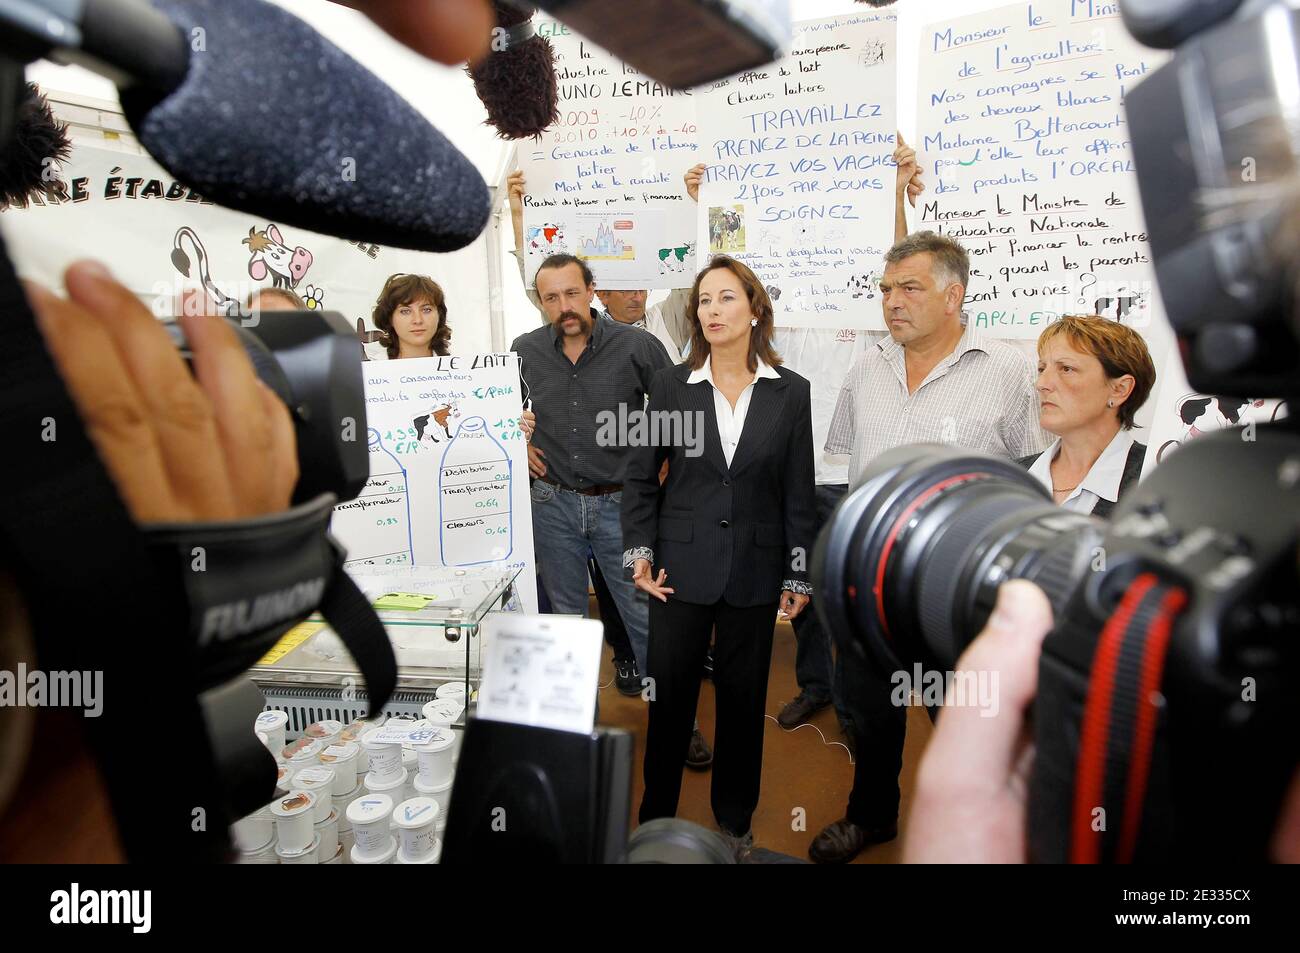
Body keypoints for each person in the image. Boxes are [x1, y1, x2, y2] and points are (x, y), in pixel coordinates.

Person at [809, 230, 1048, 864]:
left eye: (909, 287)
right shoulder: (868, 365)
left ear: (953, 295)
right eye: (886, 289)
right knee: (868, 710)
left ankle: (989, 836)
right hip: (871, 579)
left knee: (965, 716)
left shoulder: (1010, 372)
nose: (892, 301)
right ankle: (871, 816)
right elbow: (848, 461)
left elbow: (1038, 474)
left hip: (958, 589)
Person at [622, 254, 815, 854]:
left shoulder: (791, 393)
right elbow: (639, 478)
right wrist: (638, 556)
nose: (712, 310)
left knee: (743, 703)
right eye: (704, 300)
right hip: (678, 569)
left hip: (754, 573)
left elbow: (797, 493)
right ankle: (654, 821)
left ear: (755, 310)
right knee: (669, 704)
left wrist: (798, 575)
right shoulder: (671, 386)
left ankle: (734, 825)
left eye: (726, 298)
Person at [776, 132, 926, 741]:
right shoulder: (776, 305)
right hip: (794, 475)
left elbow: (893, 257)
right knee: (802, 586)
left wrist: (891, 193)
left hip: (856, 477)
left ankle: (857, 703)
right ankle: (815, 686)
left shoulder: (872, 312)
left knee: (857, 598)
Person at [511, 253, 673, 695]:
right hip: (551, 505)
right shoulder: (523, 351)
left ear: (591, 290)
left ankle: (677, 721)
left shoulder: (637, 345)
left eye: (571, 293)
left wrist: (660, 464)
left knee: (642, 613)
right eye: (551, 297)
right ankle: (576, 727)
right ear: (541, 302)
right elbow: (501, 415)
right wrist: (518, 443)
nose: (563, 305)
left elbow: (676, 412)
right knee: (566, 622)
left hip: (621, 508)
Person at [507, 166, 701, 358]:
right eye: (626, 290)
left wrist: (700, 203)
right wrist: (519, 216)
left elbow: (691, 274)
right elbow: (539, 285)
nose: (638, 297)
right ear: (600, 294)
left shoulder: (666, 320)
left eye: (642, 289)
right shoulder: (577, 326)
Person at [1020, 315, 1156, 516]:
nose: (1041, 384)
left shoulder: (1156, 480)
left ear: (1119, 389)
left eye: (1066, 369)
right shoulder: (1007, 477)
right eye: (1042, 369)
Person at [371, 273, 452, 359]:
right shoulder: (370, 370)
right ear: (390, 318)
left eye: (426, 310)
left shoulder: (462, 368)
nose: (418, 320)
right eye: (405, 311)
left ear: (439, 315)